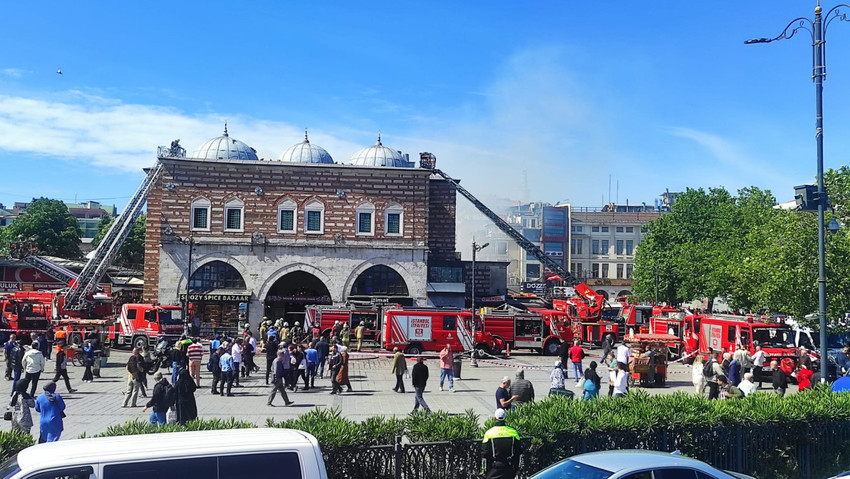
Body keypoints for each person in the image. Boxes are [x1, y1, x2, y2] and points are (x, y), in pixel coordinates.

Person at [481, 408, 522, 479]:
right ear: (505, 418)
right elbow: (519, 453)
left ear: (494, 418)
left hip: (494, 469)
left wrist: (484, 471)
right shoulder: (513, 432)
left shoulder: (489, 433)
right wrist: (517, 469)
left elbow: (484, 454)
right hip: (508, 469)